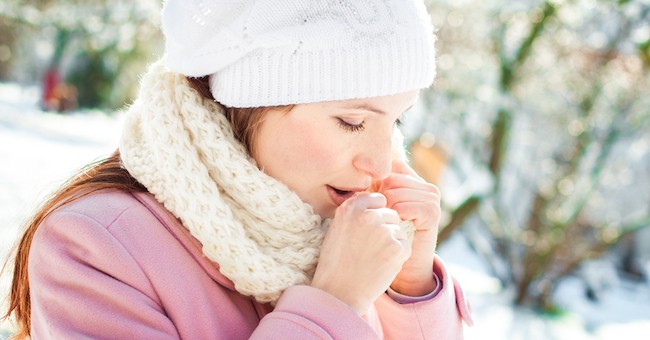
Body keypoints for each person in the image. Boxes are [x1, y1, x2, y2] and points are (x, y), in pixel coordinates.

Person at [2, 0, 473, 338]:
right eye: (351, 121)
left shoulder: (335, 229)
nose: (378, 161)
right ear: (252, 104)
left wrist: (409, 288)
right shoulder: (95, 248)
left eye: (397, 121)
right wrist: (333, 305)